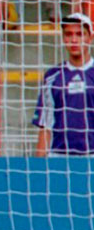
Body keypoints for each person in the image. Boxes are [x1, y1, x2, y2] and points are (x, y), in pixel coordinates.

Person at [32, 13, 94, 156]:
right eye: (69, 34)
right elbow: (45, 126)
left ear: (90, 38)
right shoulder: (52, 77)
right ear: (63, 38)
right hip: (59, 157)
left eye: (80, 34)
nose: (74, 40)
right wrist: (39, 167)